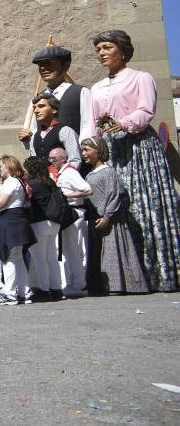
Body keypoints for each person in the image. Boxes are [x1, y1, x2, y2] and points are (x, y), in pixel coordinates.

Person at [91, 29, 180, 292]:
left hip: (139, 148)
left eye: (107, 47)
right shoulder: (96, 88)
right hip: (112, 151)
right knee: (117, 210)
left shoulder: (141, 78)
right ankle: (127, 276)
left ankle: (157, 272)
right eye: (98, 50)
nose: (101, 53)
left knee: (144, 206)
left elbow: (145, 110)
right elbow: (96, 121)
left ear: (122, 49)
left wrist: (124, 124)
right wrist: (95, 144)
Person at [81, 136, 150, 295]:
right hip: (96, 218)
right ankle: (105, 285)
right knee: (103, 253)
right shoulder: (90, 175)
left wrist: (107, 216)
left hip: (110, 219)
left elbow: (113, 194)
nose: (83, 153)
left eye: (87, 150)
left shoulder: (108, 171)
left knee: (113, 251)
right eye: (82, 150)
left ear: (98, 151)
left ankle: (119, 285)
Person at [18, 44, 96, 145]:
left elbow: (88, 126)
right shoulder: (36, 99)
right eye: (40, 65)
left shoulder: (80, 92)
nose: (43, 68)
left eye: (49, 63)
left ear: (65, 66)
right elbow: (32, 129)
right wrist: (26, 138)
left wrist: (82, 151)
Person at [0, 156, 35, 305]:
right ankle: (24, 292)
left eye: (1, 166)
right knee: (17, 258)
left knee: (9, 259)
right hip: (15, 221)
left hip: (10, 222)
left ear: (8, 166)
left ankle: (10, 294)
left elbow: (0, 203)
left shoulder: (12, 181)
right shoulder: (16, 182)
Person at [50, 146, 93, 298]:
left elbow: (87, 190)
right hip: (68, 214)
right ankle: (72, 282)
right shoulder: (62, 173)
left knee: (73, 250)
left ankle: (79, 284)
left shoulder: (70, 173)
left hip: (74, 213)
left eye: (54, 159)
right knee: (68, 251)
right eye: (50, 159)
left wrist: (66, 196)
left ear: (63, 158)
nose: (51, 161)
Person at [24, 157, 63, 302]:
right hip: (54, 222)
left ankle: (43, 290)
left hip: (39, 222)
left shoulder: (33, 184)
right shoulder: (50, 182)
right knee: (51, 257)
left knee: (39, 258)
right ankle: (56, 289)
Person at [26, 92, 82, 169]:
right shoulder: (35, 136)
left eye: (41, 106)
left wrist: (62, 177)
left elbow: (75, 160)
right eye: (35, 107)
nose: (36, 111)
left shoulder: (65, 131)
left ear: (54, 110)